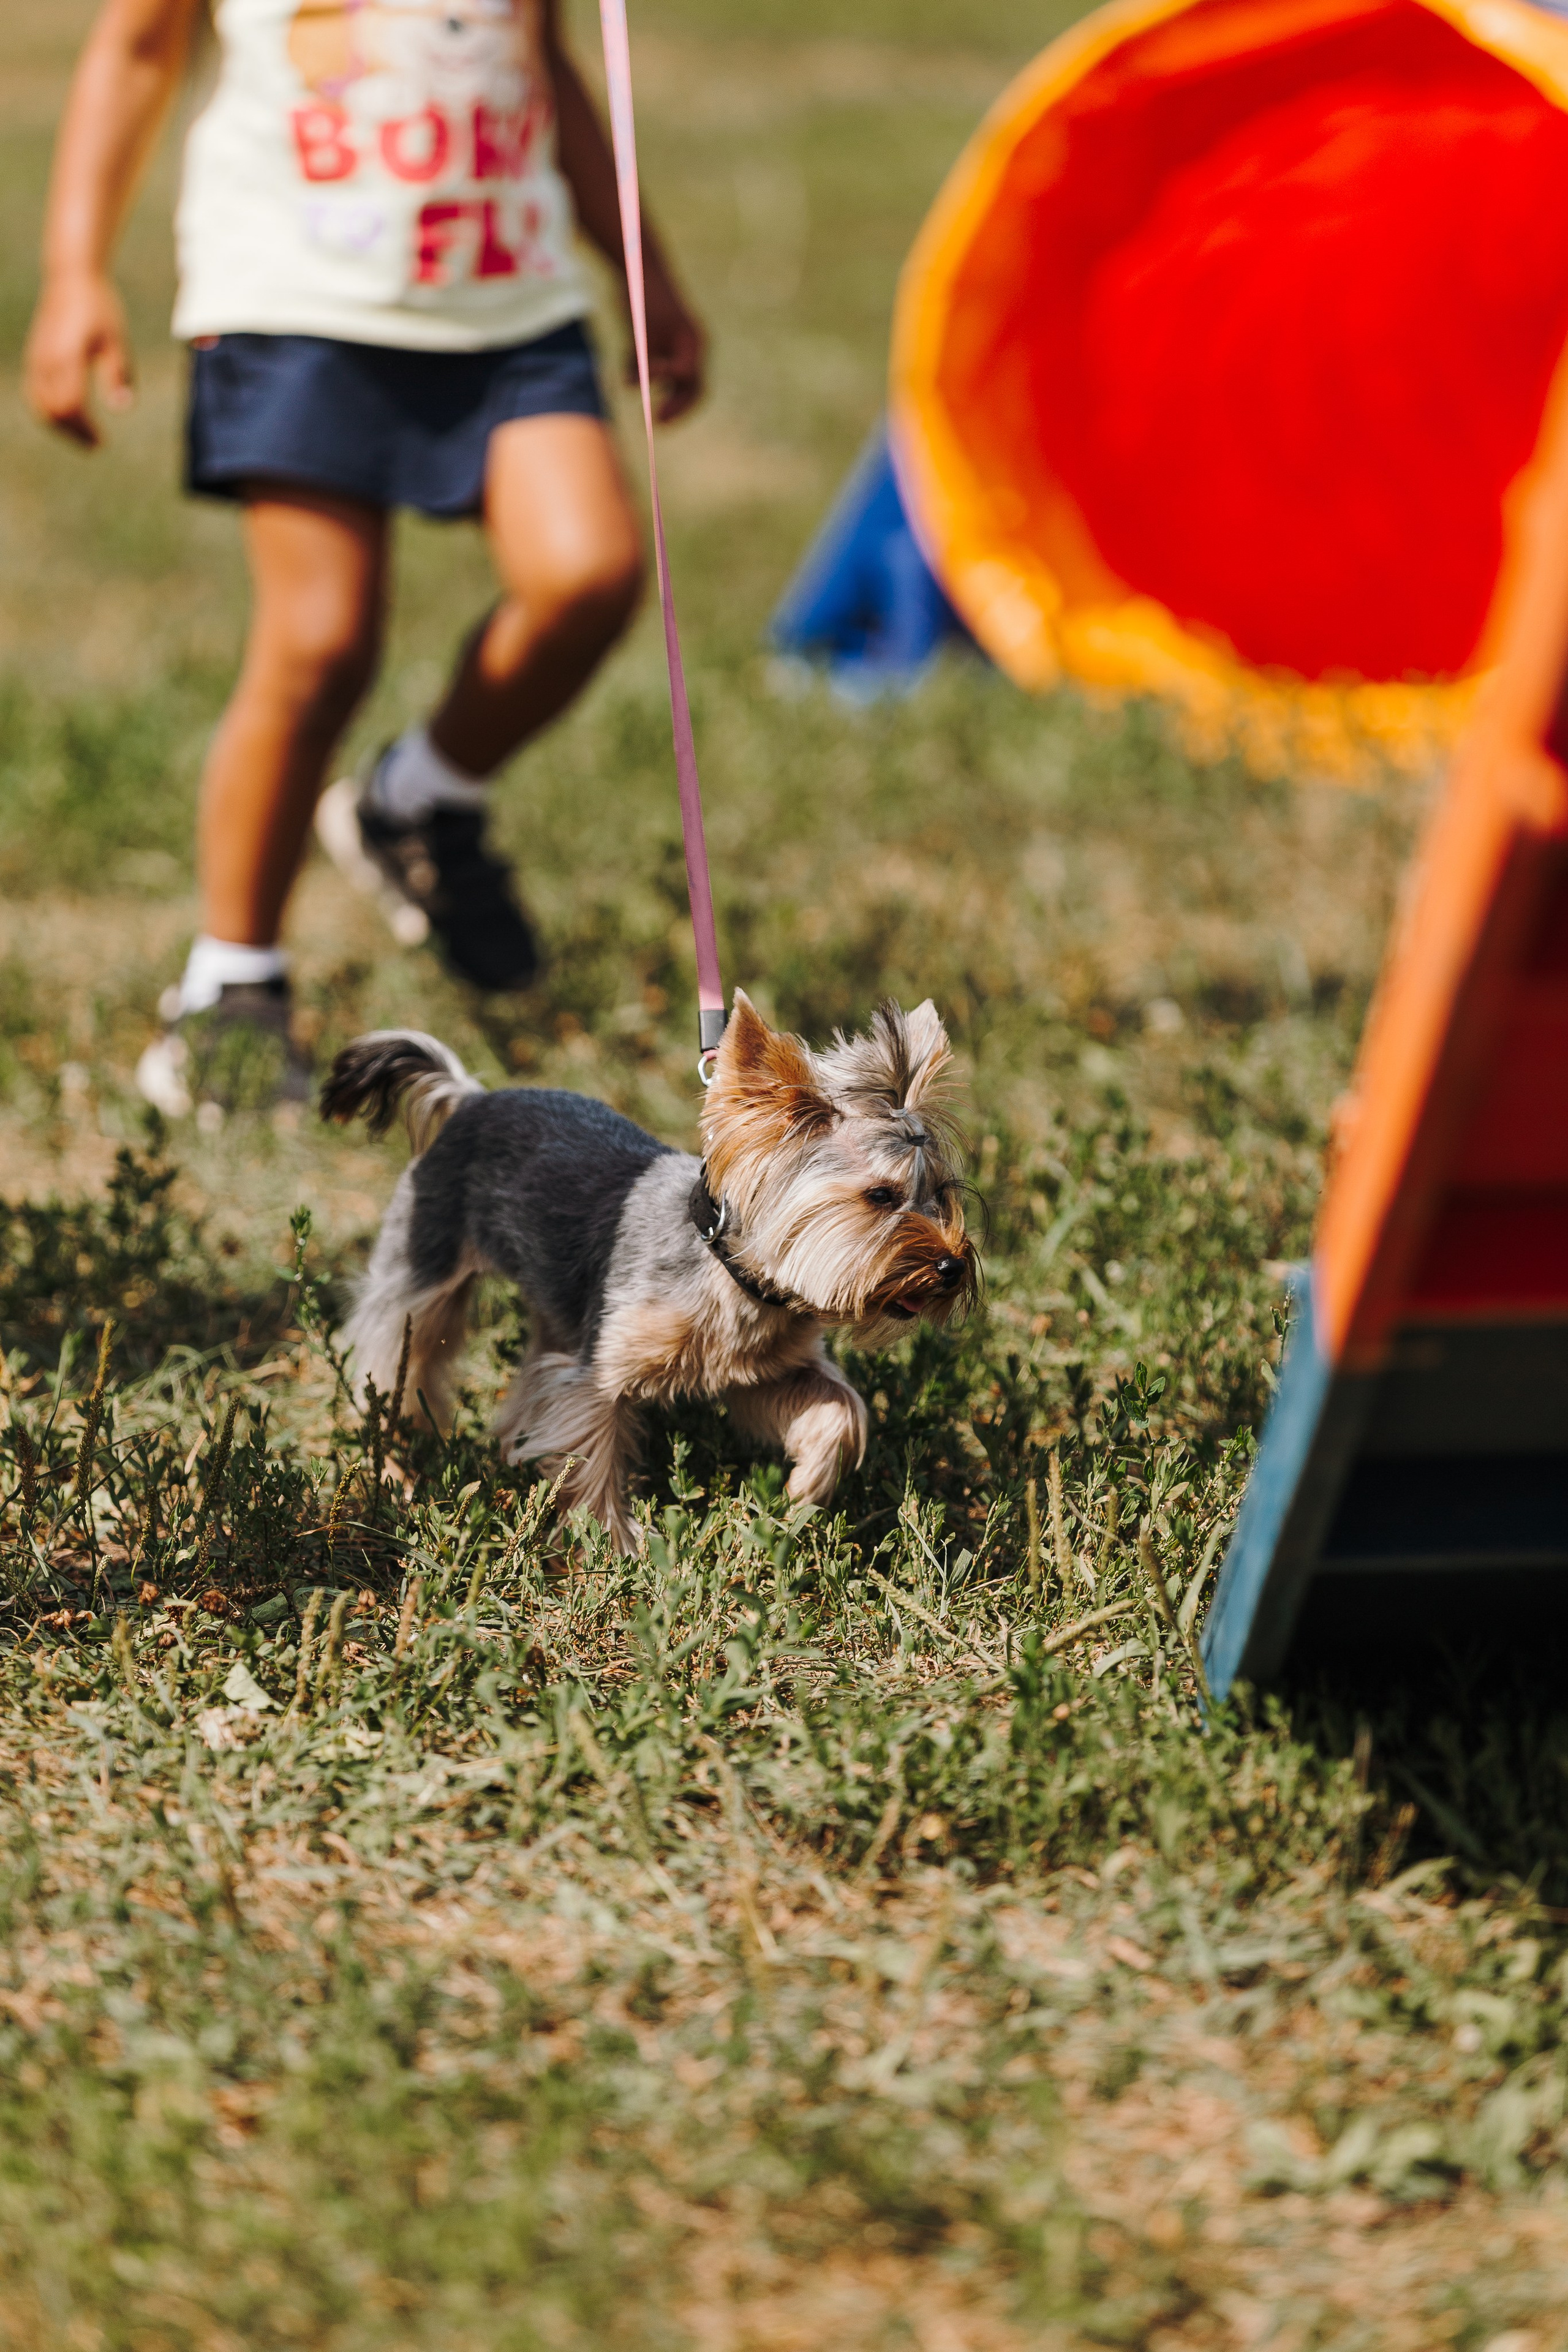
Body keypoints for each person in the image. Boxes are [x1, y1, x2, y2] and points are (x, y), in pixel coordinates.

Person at [24, 0, 704, 1112]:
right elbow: (137, 50)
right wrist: (75, 273)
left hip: (510, 303)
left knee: (591, 573)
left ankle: (418, 798)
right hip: (295, 301)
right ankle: (231, 985)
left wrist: (647, 270)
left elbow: (547, 64)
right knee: (321, 643)